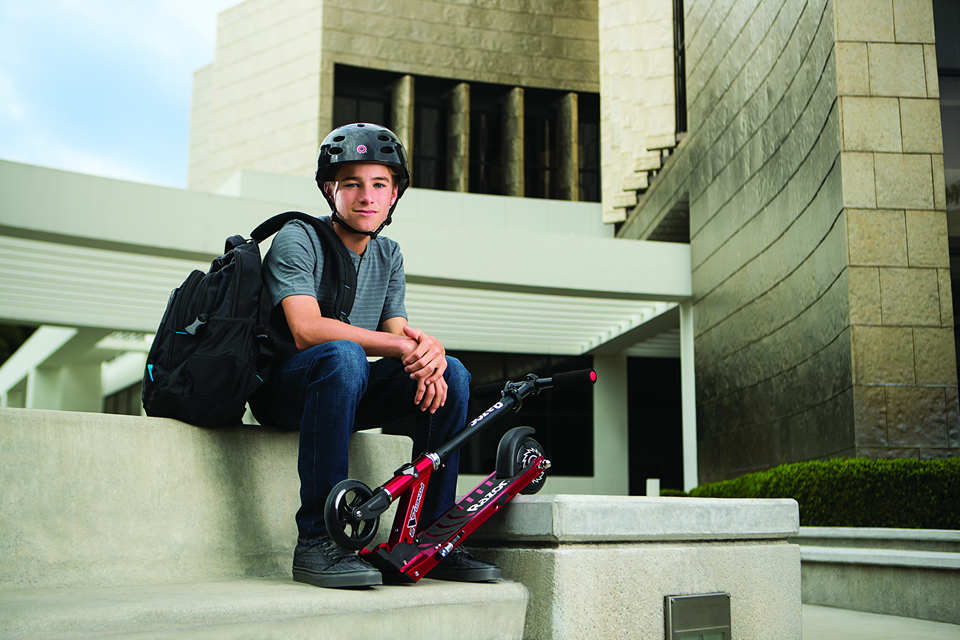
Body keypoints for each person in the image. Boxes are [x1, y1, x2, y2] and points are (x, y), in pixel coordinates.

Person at [250, 123, 500, 589]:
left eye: (379, 184)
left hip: (347, 388)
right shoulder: (297, 237)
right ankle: (318, 542)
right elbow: (306, 330)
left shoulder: (389, 254)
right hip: (286, 391)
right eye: (352, 184)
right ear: (330, 190)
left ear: (394, 194)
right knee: (342, 355)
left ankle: (429, 539)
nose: (367, 196)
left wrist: (427, 353)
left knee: (454, 373)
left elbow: (395, 334)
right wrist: (404, 346)